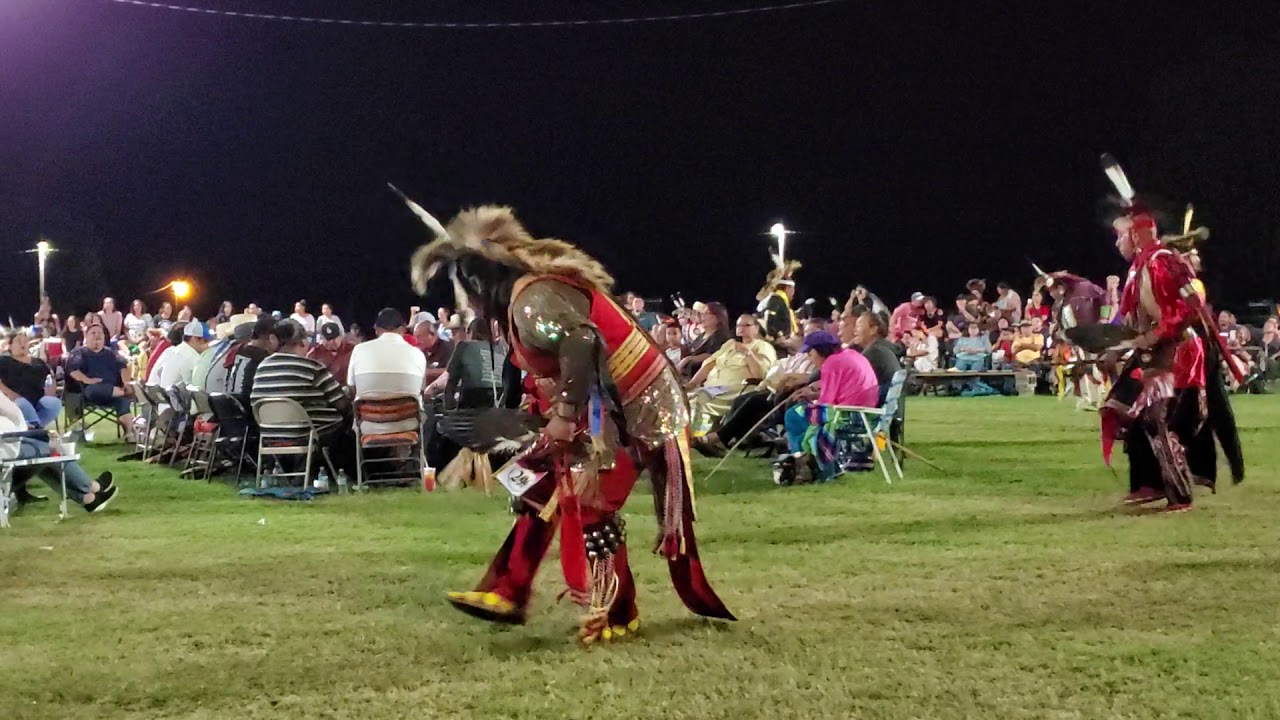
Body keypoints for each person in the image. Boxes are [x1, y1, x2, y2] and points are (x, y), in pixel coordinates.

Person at [401, 199, 733, 643]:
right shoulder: (529, 298)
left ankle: (616, 611)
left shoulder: (532, 300)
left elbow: (581, 340)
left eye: (467, 288)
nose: (471, 303)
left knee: (590, 496)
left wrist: (563, 418)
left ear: (480, 280)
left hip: (638, 405)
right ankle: (508, 589)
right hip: (604, 400)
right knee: (537, 485)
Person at [1097, 156, 1243, 512]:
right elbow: (1133, 321)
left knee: (1157, 419)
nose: (1116, 244)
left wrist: (1155, 335)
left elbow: (1187, 310)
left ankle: (1178, 490)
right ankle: (1147, 483)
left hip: (1180, 350)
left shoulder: (1163, 261)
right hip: (1156, 348)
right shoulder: (1139, 269)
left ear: (1135, 234)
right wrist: (1115, 348)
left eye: (1120, 236)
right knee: (1124, 409)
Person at [251, 320, 353, 468]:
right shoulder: (311, 367)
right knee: (347, 423)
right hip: (308, 435)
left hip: (271, 434)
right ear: (303, 342)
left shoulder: (262, 367)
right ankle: (352, 472)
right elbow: (342, 404)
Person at [781, 331, 880, 481]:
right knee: (801, 417)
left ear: (821, 350)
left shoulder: (831, 363)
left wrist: (810, 399)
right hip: (866, 412)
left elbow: (826, 402)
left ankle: (805, 461)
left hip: (848, 415)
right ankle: (811, 457)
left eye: (810, 352)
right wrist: (812, 396)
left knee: (793, 414)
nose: (809, 357)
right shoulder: (851, 354)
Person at [0, 392, 118, 512]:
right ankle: (90, 488)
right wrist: (24, 429)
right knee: (50, 449)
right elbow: (14, 413)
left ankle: (89, 497)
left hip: (8, 442)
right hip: (6, 445)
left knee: (42, 455)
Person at [687, 314, 778, 434]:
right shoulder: (730, 344)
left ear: (756, 328)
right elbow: (709, 364)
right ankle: (683, 435)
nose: (741, 328)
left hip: (736, 388)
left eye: (746, 325)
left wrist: (747, 353)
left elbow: (760, 375)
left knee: (700, 399)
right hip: (713, 387)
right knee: (688, 397)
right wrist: (692, 383)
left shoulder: (763, 346)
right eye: (738, 325)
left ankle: (696, 435)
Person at [64, 324, 136, 438]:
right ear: (86, 337)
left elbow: (123, 368)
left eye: (100, 333)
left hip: (113, 394)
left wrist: (126, 383)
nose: (97, 335)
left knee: (122, 401)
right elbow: (73, 371)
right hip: (89, 393)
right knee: (94, 389)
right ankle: (121, 392)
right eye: (93, 333)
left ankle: (129, 432)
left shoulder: (112, 353)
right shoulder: (79, 353)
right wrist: (87, 380)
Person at [347, 308, 428, 398]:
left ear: (376, 329)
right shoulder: (418, 354)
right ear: (403, 329)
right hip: (406, 411)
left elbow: (351, 388)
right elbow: (421, 390)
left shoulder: (359, 350)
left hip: (369, 411)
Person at [0, 330, 60, 428]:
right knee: (23, 404)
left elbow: (50, 377)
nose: (23, 343)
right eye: (19, 341)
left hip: (39, 399)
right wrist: (9, 394)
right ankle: (35, 428)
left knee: (54, 403)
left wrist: (51, 391)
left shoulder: (38, 362)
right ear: (10, 346)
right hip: (15, 400)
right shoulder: (4, 361)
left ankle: (33, 428)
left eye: (25, 341)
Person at [442, 318, 508, 408]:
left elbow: (451, 383)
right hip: (499, 400)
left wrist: (449, 410)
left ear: (470, 332)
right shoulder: (502, 349)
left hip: (472, 401)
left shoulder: (464, 347)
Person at [226, 315, 278, 409]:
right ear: (270, 337)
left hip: (235, 411)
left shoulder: (239, 352)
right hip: (251, 415)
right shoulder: (262, 360)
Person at [755, 258, 801, 347]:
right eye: (792, 289)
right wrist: (778, 336)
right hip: (779, 345)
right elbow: (769, 319)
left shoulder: (778, 300)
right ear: (787, 288)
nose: (793, 293)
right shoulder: (776, 299)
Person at [677, 302, 730, 377]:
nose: (703, 316)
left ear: (718, 317)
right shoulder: (702, 335)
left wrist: (688, 359)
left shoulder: (721, 336)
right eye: (702, 313)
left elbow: (713, 356)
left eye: (707, 313)